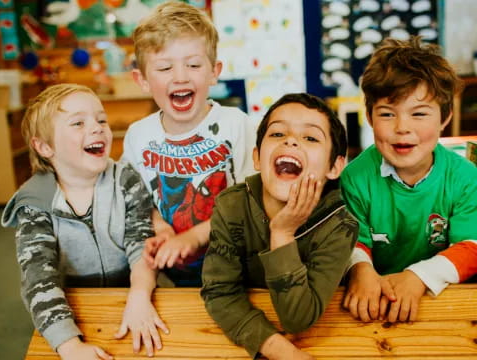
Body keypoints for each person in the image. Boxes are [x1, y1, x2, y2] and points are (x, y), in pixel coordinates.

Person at [1, 84, 168, 359]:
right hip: (71, 310)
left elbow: (141, 244)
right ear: (44, 147)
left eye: (100, 119)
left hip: (135, 296)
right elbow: (38, 280)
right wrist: (69, 345)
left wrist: (139, 295)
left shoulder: (126, 180)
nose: (97, 127)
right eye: (78, 122)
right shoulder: (34, 204)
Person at [201, 93, 358, 359]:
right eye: (277, 134)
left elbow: (297, 319)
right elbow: (219, 292)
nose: (291, 140)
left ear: (334, 166)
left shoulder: (340, 226)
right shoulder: (231, 207)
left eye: (310, 138)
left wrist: (282, 233)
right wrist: (276, 348)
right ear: (257, 157)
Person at [341, 36, 477, 324]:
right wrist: (360, 270)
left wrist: (418, 277)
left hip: (442, 306)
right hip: (373, 307)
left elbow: (471, 245)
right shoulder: (354, 178)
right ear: (369, 116)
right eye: (387, 114)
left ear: (444, 117)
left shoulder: (466, 178)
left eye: (419, 114)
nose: (403, 128)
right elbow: (352, 241)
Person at [123, 1, 256, 286]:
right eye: (164, 67)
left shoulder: (237, 124)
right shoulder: (137, 136)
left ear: (214, 71)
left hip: (239, 269)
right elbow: (138, 202)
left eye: (193, 64)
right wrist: (161, 230)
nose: (180, 76)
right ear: (142, 79)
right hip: (175, 274)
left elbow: (253, 199)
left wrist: (195, 237)